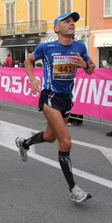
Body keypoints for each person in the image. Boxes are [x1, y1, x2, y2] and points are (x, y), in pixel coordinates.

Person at [15, 12, 95, 204]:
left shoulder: (80, 46)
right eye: (66, 21)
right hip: (50, 97)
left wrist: (85, 65)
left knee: (50, 137)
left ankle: (24, 143)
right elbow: (28, 60)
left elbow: (92, 69)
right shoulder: (47, 47)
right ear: (56, 28)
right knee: (65, 142)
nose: (72, 24)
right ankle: (73, 189)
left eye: (73, 21)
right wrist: (33, 78)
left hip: (67, 98)